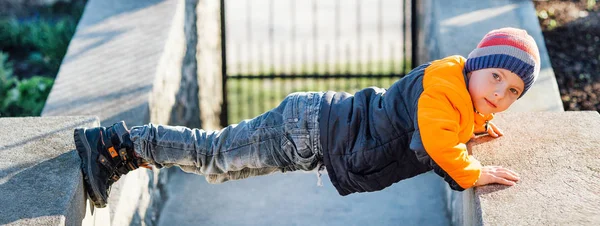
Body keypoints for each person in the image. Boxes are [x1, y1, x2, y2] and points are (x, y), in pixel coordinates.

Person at [74, 27, 537, 208]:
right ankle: (121, 146)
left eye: (512, 90)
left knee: (218, 165)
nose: (499, 92)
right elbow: (437, 144)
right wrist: (473, 171)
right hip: (309, 130)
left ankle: (131, 151)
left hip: (313, 134)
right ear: (476, 63)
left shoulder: (456, 91)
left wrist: (475, 123)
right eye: (495, 76)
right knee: (214, 153)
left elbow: (446, 121)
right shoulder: (444, 92)